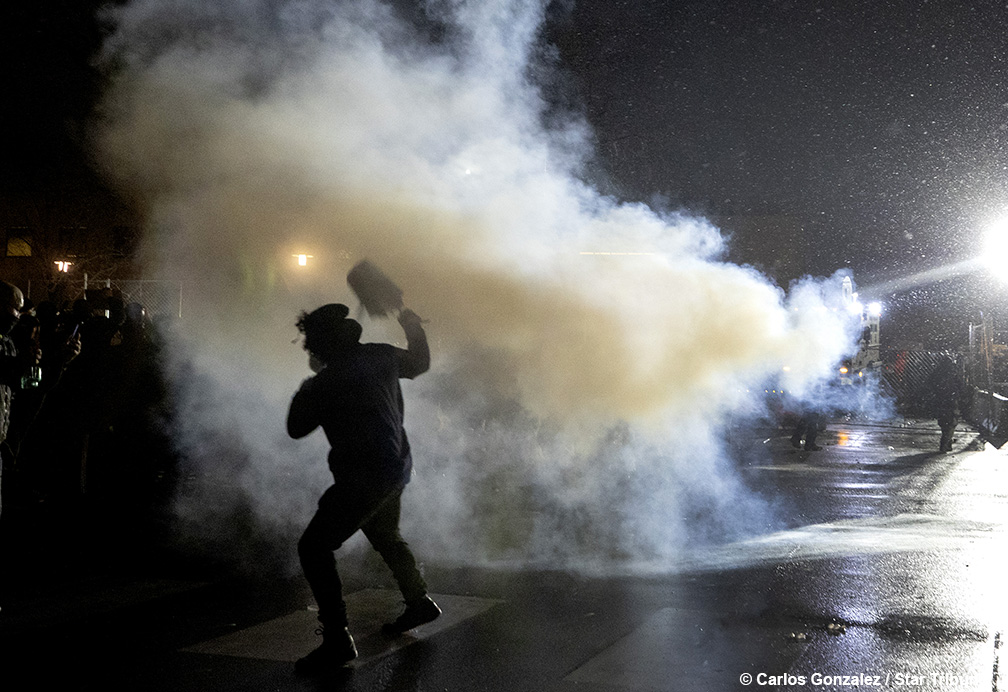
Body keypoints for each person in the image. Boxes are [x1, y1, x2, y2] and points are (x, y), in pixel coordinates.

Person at [288, 303, 440, 675]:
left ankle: (337, 639)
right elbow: (419, 363)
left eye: (312, 344)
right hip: (395, 466)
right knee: (385, 533)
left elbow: (295, 427)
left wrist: (307, 388)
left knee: (314, 547)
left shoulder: (328, 381)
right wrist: (412, 325)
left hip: (364, 476)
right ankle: (418, 601)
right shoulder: (380, 355)